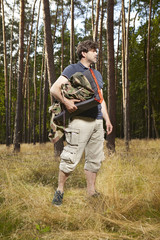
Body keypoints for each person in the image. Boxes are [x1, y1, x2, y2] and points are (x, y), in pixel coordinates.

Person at [50, 40, 113, 206]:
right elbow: (54, 89)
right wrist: (67, 102)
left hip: (97, 122)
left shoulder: (97, 74)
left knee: (95, 159)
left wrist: (106, 119)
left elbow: (101, 98)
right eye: (93, 50)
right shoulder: (73, 69)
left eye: (96, 50)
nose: (96, 53)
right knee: (70, 157)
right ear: (84, 53)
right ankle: (60, 191)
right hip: (80, 121)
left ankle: (91, 192)